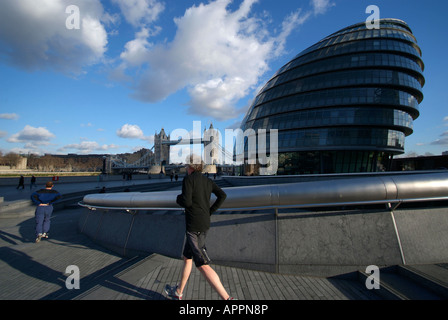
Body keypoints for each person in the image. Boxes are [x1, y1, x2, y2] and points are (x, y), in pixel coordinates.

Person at [165, 155, 234, 300]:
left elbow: (186, 202)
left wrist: (178, 198)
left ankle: (228, 299)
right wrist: (210, 210)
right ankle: (178, 292)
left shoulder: (188, 180)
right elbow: (222, 195)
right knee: (187, 257)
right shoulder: (207, 180)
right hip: (203, 222)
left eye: (186, 165)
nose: (185, 167)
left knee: (202, 264)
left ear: (190, 166)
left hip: (194, 227)